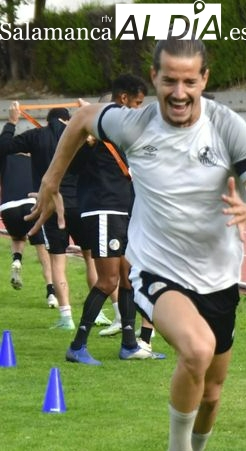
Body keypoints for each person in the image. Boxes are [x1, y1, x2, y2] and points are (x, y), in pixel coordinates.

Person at [28, 37, 246, 451]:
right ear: (154, 79)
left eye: (190, 81)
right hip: (155, 270)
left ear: (204, 80)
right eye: (170, 80)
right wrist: (50, 181)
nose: (180, 91)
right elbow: (82, 118)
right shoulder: (133, 123)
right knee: (196, 349)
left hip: (219, 277)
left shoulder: (228, 127)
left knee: (211, 393)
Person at [64, 73, 166, 365]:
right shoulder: (95, 135)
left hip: (125, 211)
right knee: (108, 280)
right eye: (136, 102)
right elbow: (72, 165)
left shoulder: (124, 134)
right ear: (123, 99)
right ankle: (78, 345)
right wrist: (87, 139)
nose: (139, 108)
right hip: (104, 210)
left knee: (128, 278)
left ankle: (130, 344)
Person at [0, 105, 112, 330]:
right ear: (66, 120)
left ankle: (66, 317)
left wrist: (12, 122)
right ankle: (97, 312)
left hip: (51, 205)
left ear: (49, 119)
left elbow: (4, 147)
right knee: (90, 258)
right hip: (80, 203)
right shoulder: (78, 135)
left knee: (58, 261)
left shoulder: (36, 135)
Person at [0, 151, 56, 305]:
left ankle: (17, 260)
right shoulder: (35, 159)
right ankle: (51, 291)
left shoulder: (5, 157)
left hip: (7, 206)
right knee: (42, 247)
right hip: (30, 203)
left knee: (17, 237)